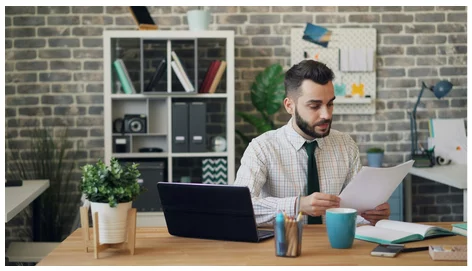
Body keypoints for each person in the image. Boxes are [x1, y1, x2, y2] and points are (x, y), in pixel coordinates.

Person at [234, 60, 390, 226]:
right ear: (289, 106)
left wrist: (371, 214)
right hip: (281, 246)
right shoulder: (262, 148)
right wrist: (297, 205)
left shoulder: (346, 145)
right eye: (314, 106)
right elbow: (238, 206)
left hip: (335, 245)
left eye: (330, 104)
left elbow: (356, 209)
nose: (326, 115)